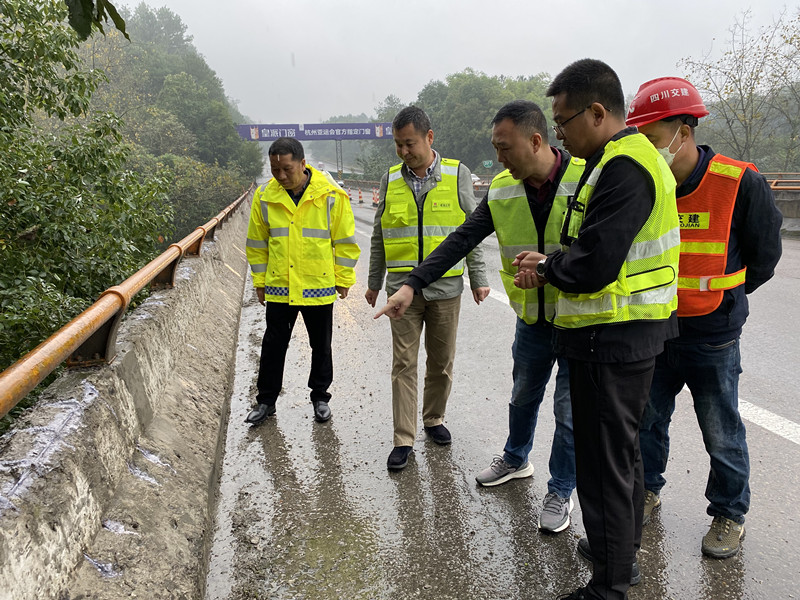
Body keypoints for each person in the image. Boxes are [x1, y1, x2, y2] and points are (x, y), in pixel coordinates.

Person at [513, 59, 680, 600]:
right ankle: (619, 553)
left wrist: (549, 267)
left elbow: (596, 264)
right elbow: (594, 249)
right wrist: (556, 261)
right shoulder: (616, 160)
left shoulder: (625, 166)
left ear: (598, 112)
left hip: (611, 337)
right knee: (621, 456)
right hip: (619, 335)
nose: (558, 133)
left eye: (563, 121)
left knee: (603, 465)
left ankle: (609, 586)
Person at [376, 100, 583, 533]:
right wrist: (411, 284)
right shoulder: (504, 188)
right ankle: (515, 458)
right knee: (522, 395)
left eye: (504, 149)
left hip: (579, 319)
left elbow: (600, 250)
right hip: (532, 318)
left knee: (568, 410)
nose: (499, 159)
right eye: (495, 148)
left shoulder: (585, 178)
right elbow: (462, 238)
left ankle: (560, 489)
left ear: (536, 141)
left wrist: (550, 267)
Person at [626, 77, 783, 558]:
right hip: (655, 329)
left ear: (684, 131)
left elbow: (764, 257)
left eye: (653, 138)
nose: (648, 149)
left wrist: (727, 296)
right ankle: (646, 491)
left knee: (721, 429)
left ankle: (729, 513)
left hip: (713, 333)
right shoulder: (644, 184)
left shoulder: (739, 182)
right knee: (647, 421)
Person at [365, 106, 490, 470]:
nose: (404, 151)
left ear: (429, 137)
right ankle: (403, 438)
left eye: (410, 143)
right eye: (398, 144)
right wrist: (374, 282)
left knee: (441, 361)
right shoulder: (390, 179)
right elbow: (379, 235)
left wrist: (478, 277)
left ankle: (433, 418)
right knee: (403, 363)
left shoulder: (456, 174)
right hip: (401, 292)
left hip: (445, 290)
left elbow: (472, 230)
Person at [244, 137, 360, 425]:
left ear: (303, 163)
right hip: (280, 286)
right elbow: (257, 244)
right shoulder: (264, 196)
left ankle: (320, 397)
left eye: (287, 169)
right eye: (275, 170)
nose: (281, 176)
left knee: (320, 346)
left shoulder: (330, 195)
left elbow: (345, 242)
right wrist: (260, 281)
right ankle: (266, 401)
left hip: (317, 285)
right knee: (273, 345)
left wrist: (344, 278)